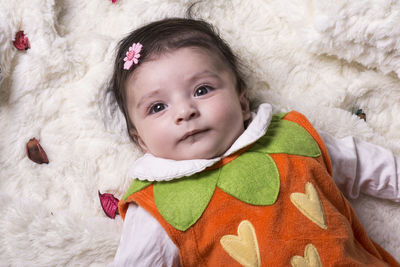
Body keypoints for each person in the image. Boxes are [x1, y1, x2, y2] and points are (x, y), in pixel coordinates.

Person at [108, 17, 400, 266]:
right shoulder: (154, 206)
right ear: (141, 142)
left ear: (243, 102)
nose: (185, 111)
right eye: (157, 107)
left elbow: (369, 164)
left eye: (202, 89)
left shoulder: (291, 137)